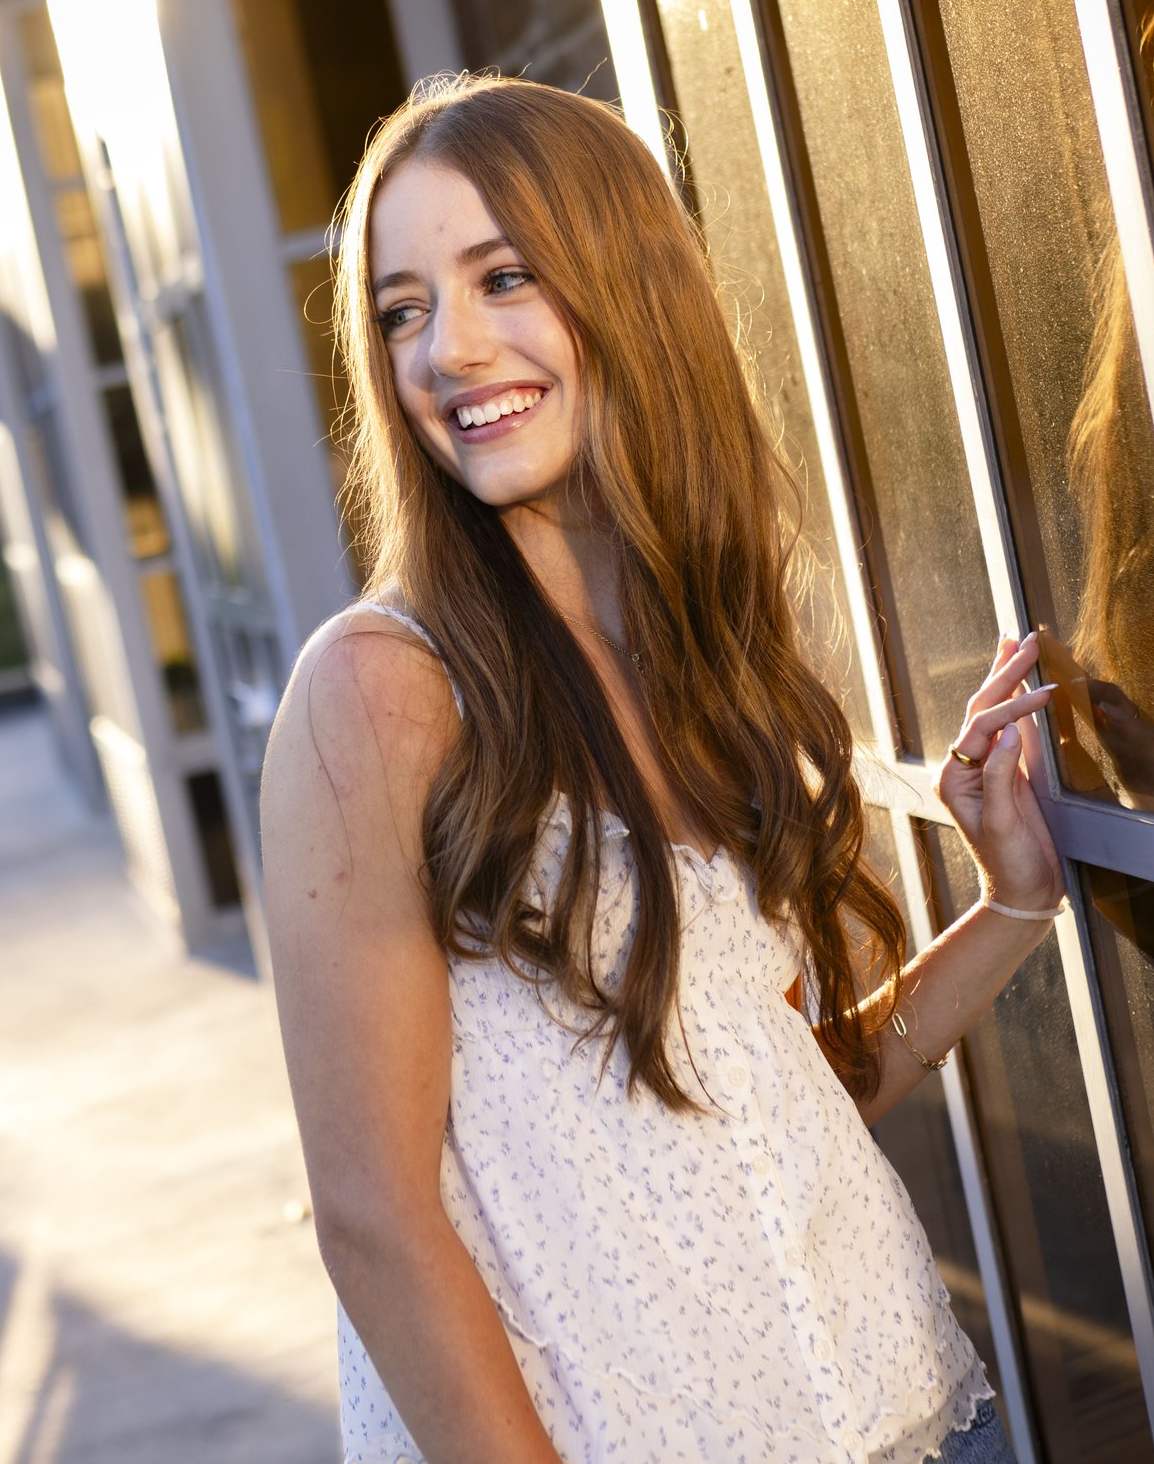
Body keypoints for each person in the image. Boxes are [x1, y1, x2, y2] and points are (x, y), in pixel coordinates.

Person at [257, 73, 1066, 1464]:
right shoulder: (383, 691)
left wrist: (1012, 904)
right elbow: (374, 1219)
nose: (447, 349)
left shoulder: (701, 653)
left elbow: (771, 1098)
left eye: (501, 278)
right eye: (402, 310)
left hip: (907, 1414)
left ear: (627, 286)